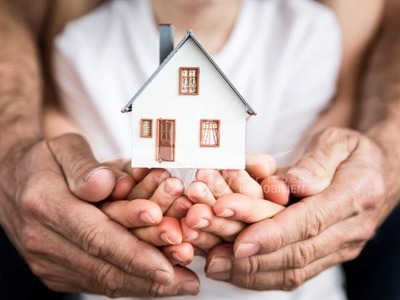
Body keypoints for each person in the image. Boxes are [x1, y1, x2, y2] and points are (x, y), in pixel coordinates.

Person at [0, 0, 397, 299]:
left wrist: (285, 189)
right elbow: (81, 163)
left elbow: (308, 164)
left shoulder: (309, 32)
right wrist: (105, 192)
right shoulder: (83, 46)